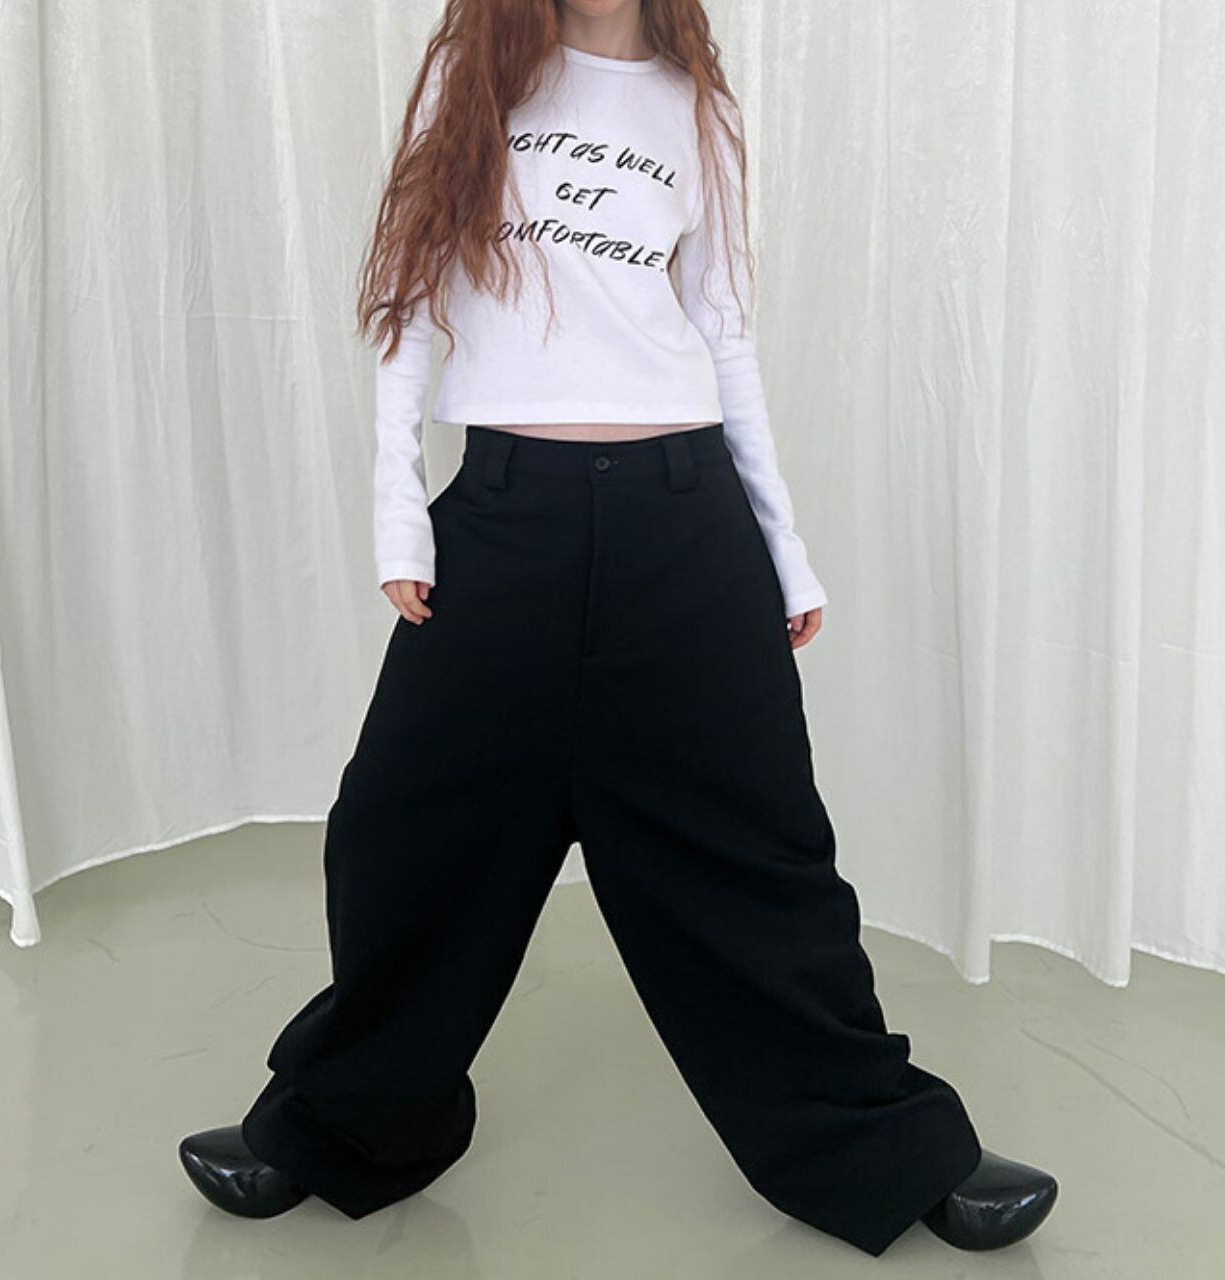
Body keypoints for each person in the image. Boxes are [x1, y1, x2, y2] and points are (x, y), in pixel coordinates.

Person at [179, 0, 1058, 1257]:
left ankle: (884, 1144)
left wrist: (783, 543)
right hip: (505, 516)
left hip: (681, 517)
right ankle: (343, 1124)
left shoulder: (695, 109)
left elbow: (725, 333)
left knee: (758, 849)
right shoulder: (474, 83)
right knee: (401, 834)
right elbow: (411, 308)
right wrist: (397, 519)